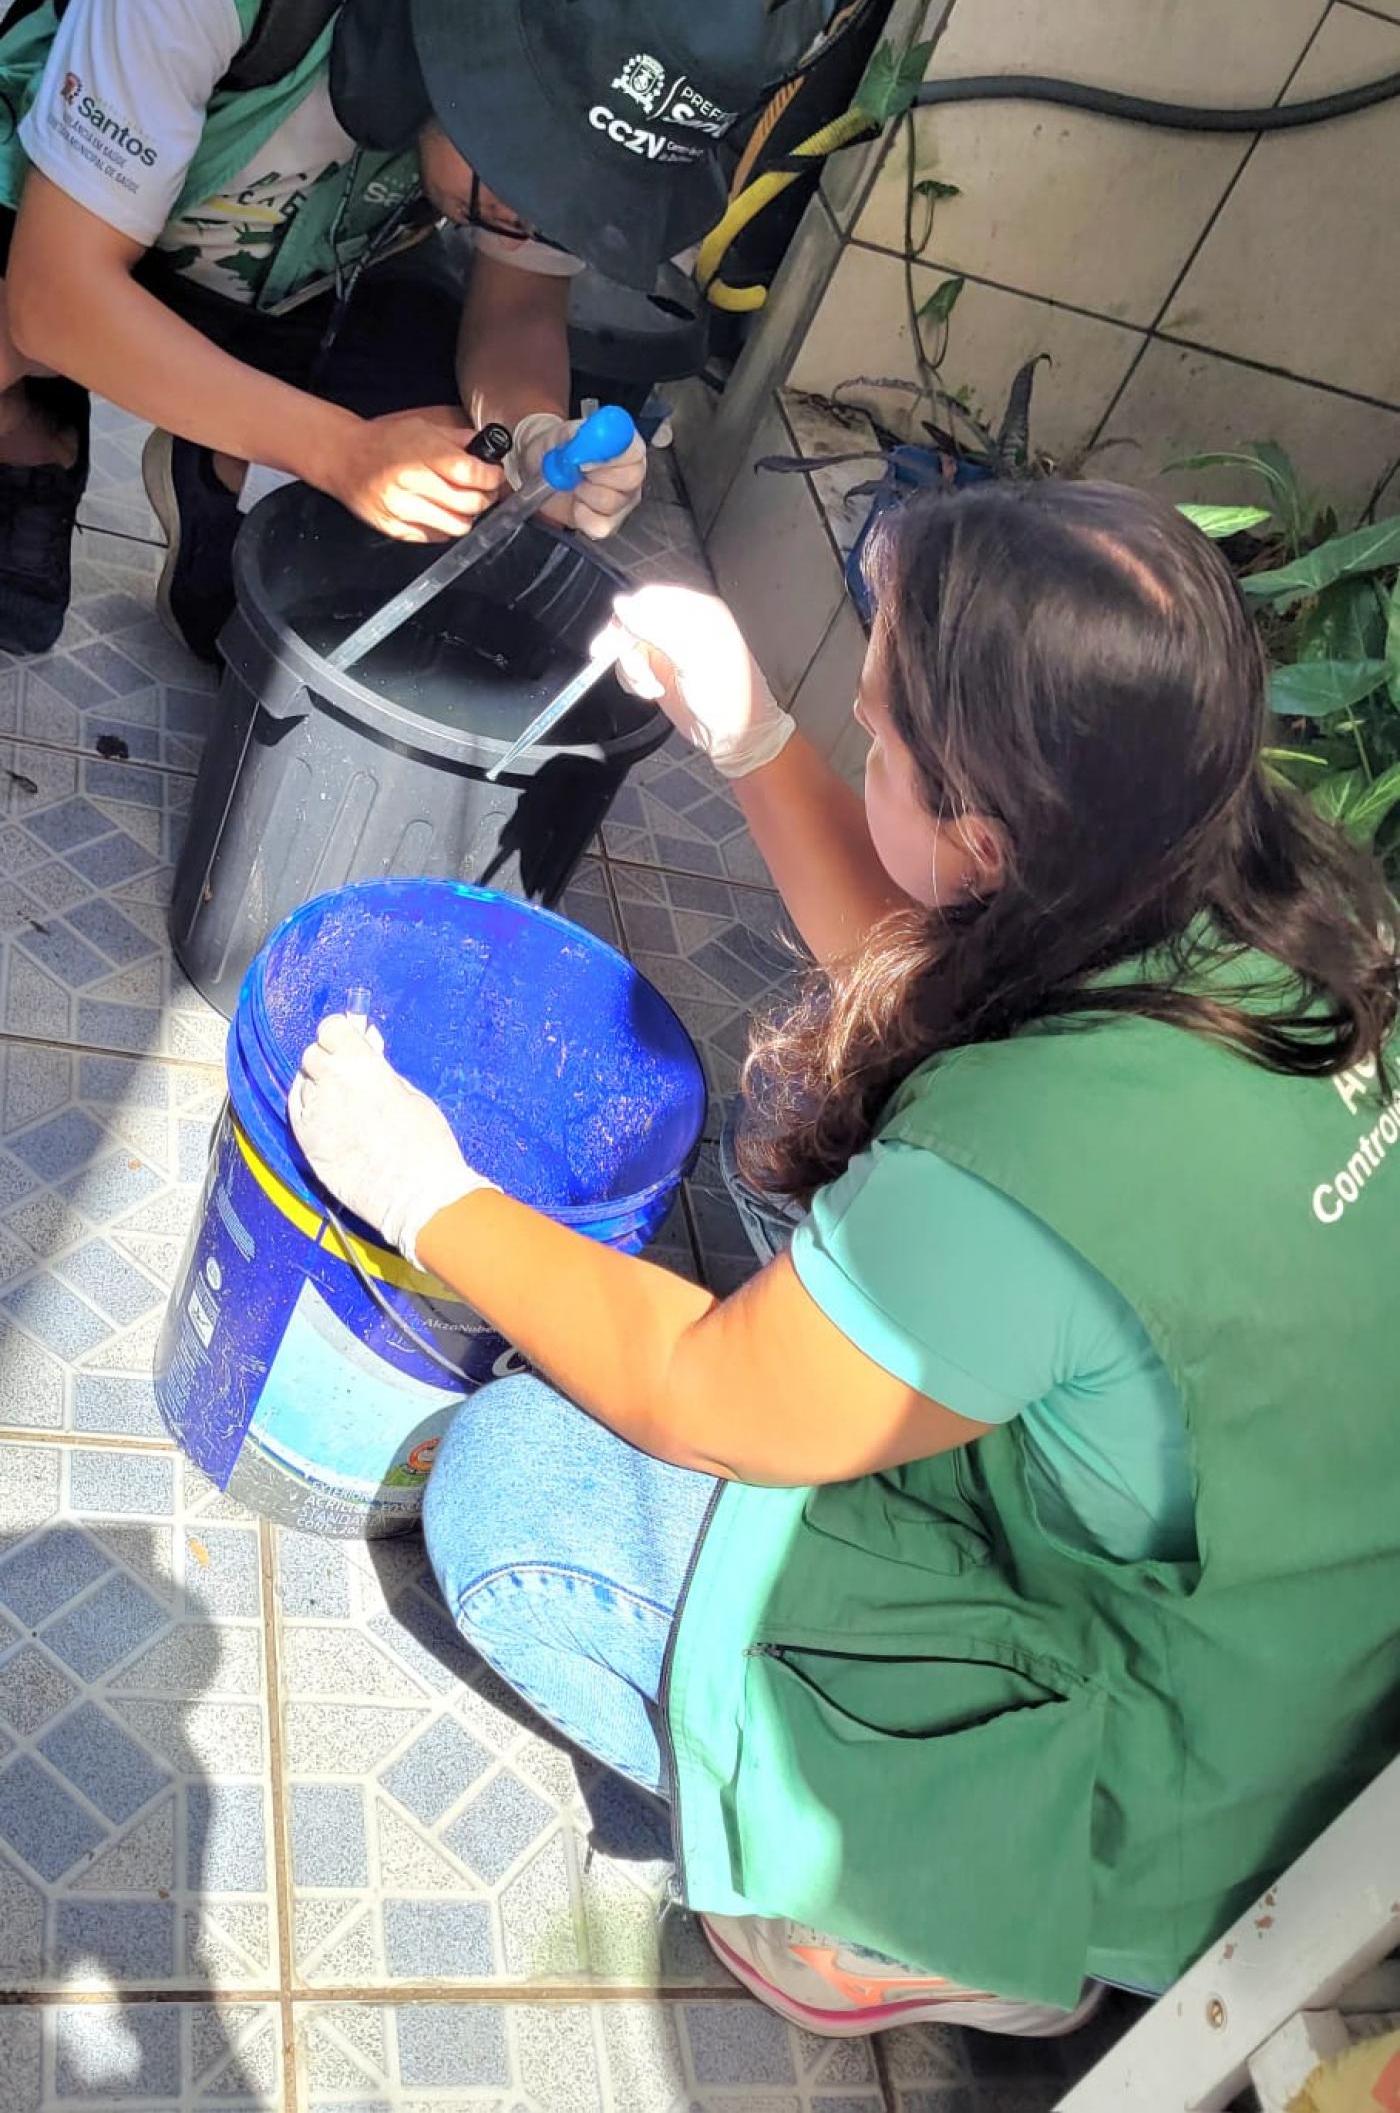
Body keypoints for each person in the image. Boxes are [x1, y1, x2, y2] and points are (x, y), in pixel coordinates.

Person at [287, 478, 1400, 2039]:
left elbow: (700, 1388)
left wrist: (426, 1193)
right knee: (814, 1109)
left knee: (515, 1489)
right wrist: (749, 729)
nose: (855, 734)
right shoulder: (1246, 876)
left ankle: (918, 1909)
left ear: (990, 838)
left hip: (1180, 1774)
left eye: (875, 734)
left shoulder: (1031, 1162)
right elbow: (933, 985)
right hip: (1314, 1600)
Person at [0, 0, 767, 655]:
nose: (538, 228)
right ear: (481, 65)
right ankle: (35, 438)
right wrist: (336, 449)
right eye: (532, 184)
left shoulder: (577, 57)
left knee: (460, 454)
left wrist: (535, 439)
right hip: (69, 229)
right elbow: (55, 296)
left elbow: (516, 314)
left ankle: (215, 467)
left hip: (296, 275)